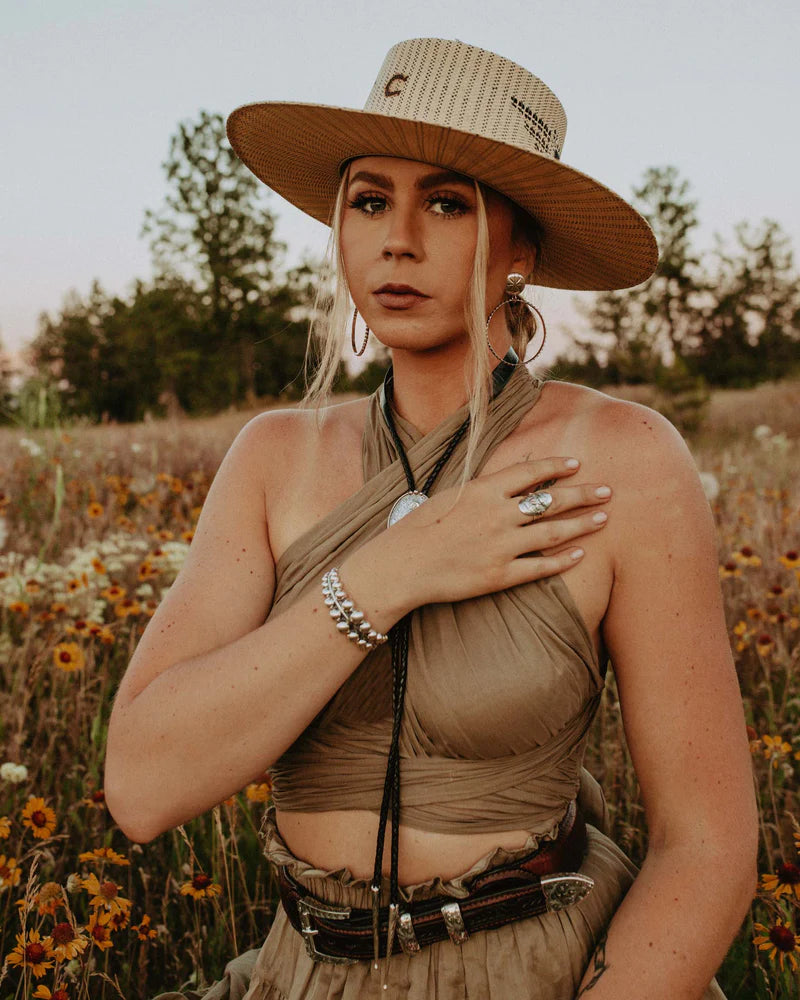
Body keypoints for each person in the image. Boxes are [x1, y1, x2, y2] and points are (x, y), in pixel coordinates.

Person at [105, 38, 757, 1000]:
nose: (396, 239)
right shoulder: (275, 459)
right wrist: (390, 572)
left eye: (447, 203)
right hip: (306, 975)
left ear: (523, 248)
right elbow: (143, 789)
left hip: (544, 964)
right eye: (369, 201)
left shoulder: (621, 460)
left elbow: (707, 844)